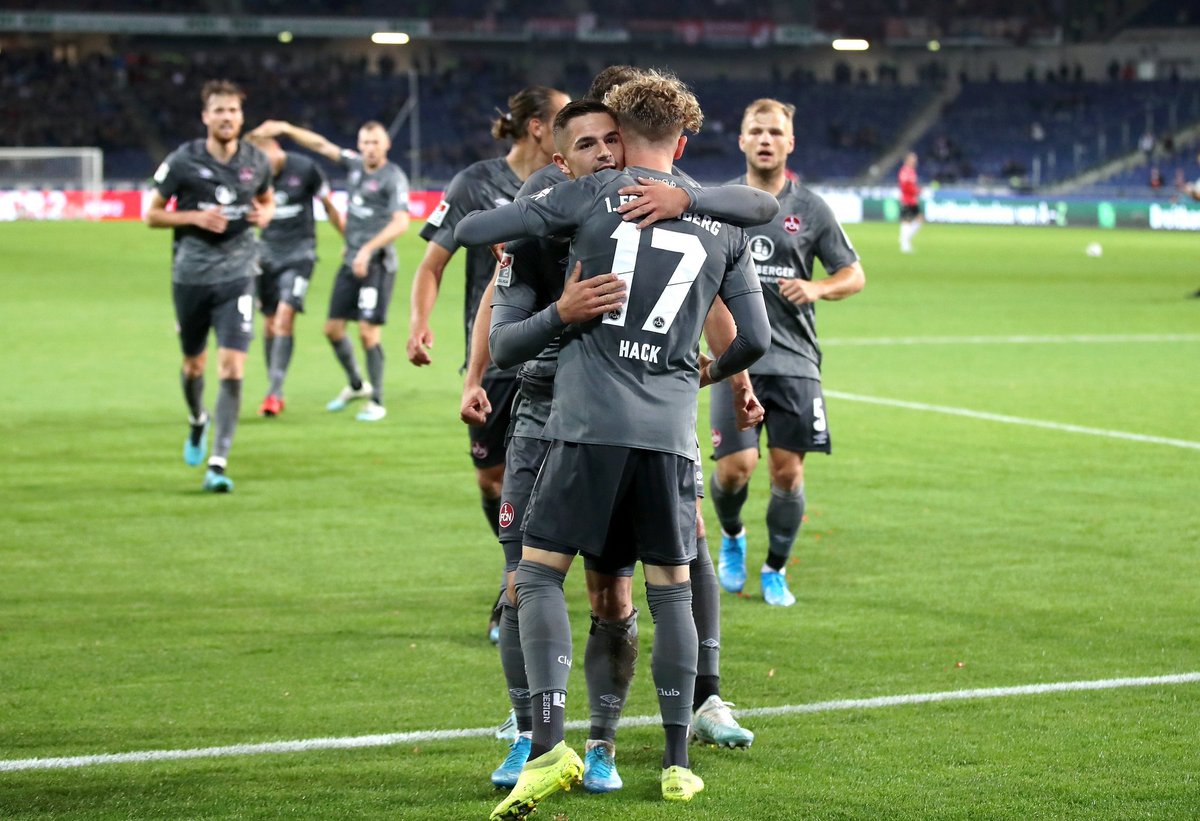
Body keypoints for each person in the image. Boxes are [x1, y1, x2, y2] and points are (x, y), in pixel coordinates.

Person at [457, 69, 772, 818]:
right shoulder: (706, 213)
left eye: (610, 140)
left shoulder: (592, 197)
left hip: (583, 421)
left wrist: (531, 217)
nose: (602, 152)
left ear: (626, 138)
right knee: (643, 583)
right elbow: (751, 319)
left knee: (570, 584)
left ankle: (575, 744)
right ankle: (644, 752)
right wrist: (710, 373)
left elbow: (473, 238)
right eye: (587, 143)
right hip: (621, 422)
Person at [406, 86, 569, 628]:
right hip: (497, 353)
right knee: (493, 481)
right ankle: (519, 566)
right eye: (562, 116)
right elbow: (431, 265)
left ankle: (519, 586)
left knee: (553, 476)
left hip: (562, 355)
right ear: (538, 127)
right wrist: (419, 323)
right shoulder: (475, 184)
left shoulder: (575, 181)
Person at [708, 99, 865, 607]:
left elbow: (853, 274)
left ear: (790, 143)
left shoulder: (812, 209)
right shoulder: (721, 204)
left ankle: (775, 568)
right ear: (741, 140)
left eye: (775, 132)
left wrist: (817, 288)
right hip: (735, 359)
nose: (765, 139)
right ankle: (732, 534)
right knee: (735, 468)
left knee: (787, 472)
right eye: (756, 131)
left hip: (795, 360)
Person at [145, 79, 274, 493]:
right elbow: (151, 214)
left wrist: (265, 215)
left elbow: (267, 199)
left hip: (239, 274)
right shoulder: (183, 160)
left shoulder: (256, 160)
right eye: (219, 110)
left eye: (233, 110)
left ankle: (218, 463)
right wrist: (194, 218)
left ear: (241, 116)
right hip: (191, 276)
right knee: (194, 365)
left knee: (232, 366)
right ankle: (197, 418)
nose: (227, 117)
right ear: (205, 117)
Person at [249, 119, 410, 421]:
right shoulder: (355, 165)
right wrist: (287, 129)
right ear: (359, 145)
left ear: (386, 145)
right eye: (365, 143)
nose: (370, 149)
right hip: (351, 262)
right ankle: (356, 385)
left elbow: (401, 222)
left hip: (377, 263)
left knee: (367, 332)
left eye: (376, 143)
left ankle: (376, 401)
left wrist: (367, 249)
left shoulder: (393, 177)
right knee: (332, 329)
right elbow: (321, 145)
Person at [245, 134, 343, 416]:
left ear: (276, 150)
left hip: (300, 254)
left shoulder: (305, 168)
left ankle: (274, 393)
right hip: (265, 256)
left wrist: (349, 240)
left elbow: (328, 205)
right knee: (269, 324)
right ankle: (274, 386)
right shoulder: (253, 174)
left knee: (284, 318)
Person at [898, 151, 922, 253]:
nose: (915, 161)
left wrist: (917, 190)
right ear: (907, 160)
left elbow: (912, 185)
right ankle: (904, 243)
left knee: (919, 219)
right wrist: (916, 191)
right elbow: (905, 187)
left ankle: (905, 239)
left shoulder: (911, 171)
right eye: (913, 159)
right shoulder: (904, 171)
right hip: (906, 200)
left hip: (913, 200)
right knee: (906, 221)